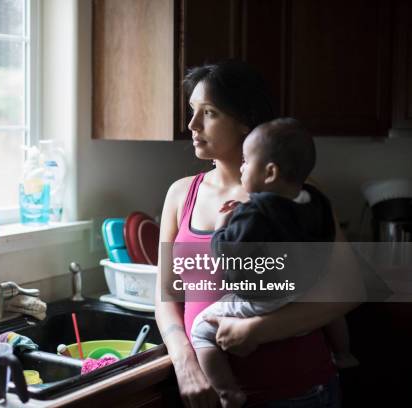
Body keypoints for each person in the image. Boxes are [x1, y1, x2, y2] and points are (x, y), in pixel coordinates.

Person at [154, 60, 362, 408]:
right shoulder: (180, 194)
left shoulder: (298, 194)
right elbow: (166, 297)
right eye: (192, 111)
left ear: (244, 121)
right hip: (209, 397)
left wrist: (258, 331)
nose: (192, 125)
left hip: (299, 393)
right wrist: (185, 362)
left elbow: (349, 289)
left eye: (209, 113)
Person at [189, 118, 358, 408]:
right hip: (305, 289)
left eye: (246, 162)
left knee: (200, 329)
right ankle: (344, 353)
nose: (242, 168)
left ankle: (228, 392)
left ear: (269, 172)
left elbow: (228, 257)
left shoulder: (253, 211)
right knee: (331, 311)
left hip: (265, 300)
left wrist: (222, 225)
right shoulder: (314, 199)